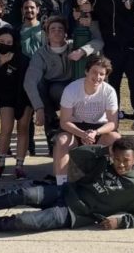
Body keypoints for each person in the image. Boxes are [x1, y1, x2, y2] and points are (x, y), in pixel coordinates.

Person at [0, 138, 134, 232]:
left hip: (73, 214)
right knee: (21, 194)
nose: (121, 164)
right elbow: (76, 154)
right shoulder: (105, 161)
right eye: (118, 158)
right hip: (64, 192)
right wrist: (105, 150)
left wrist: (120, 223)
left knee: (22, 222)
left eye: (126, 160)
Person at [24, 16, 101, 151]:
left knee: (62, 90)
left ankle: (72, 135)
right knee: (41, 85)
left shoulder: (73, 45)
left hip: (72, 90)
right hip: (50, 95)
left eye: (60, 29)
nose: (57, 32)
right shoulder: (41, 54)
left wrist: (82, 51)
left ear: (65, 33)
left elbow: (99, 42)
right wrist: (39, 108)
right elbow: (29, 81)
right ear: (47, 34)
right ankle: (53, 134)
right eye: (52, 29)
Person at [52, 55, 121, 187]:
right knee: (61, 141)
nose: (98, 77)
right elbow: (64, 121)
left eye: (102, 74)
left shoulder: (109, 91)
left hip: (99, 128)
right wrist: (81, 134)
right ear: (86, 71)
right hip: (75, 126)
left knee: (116, 139)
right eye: (94, 72)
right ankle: (61, 186)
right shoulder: (71, 89)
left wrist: (95, 132)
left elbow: (113, 123)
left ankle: (114, 180)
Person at [0, 26, 32, 180]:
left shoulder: (22, 59)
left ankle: (19, 166)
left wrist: (23, 106)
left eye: (9, 41)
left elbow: (25, 84)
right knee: (6, 127)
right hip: (4, 97)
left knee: (23, 129)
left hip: (23, 96)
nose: (5, 44)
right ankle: (0, 164)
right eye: (2, 41)